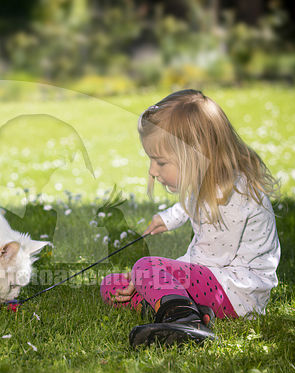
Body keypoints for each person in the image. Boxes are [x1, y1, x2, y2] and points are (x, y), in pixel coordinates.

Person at [100, 89, 281, 347]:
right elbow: (189, 206)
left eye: (160, 162)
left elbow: (208, 260)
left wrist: (156, 272)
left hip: (238, 291)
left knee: (145, 267)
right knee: (113, 285)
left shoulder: (231, 196)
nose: (152, 171)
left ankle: (185, 322)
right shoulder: (208, 180)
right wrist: (168, 218)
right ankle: (184, 311)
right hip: (216, 282)